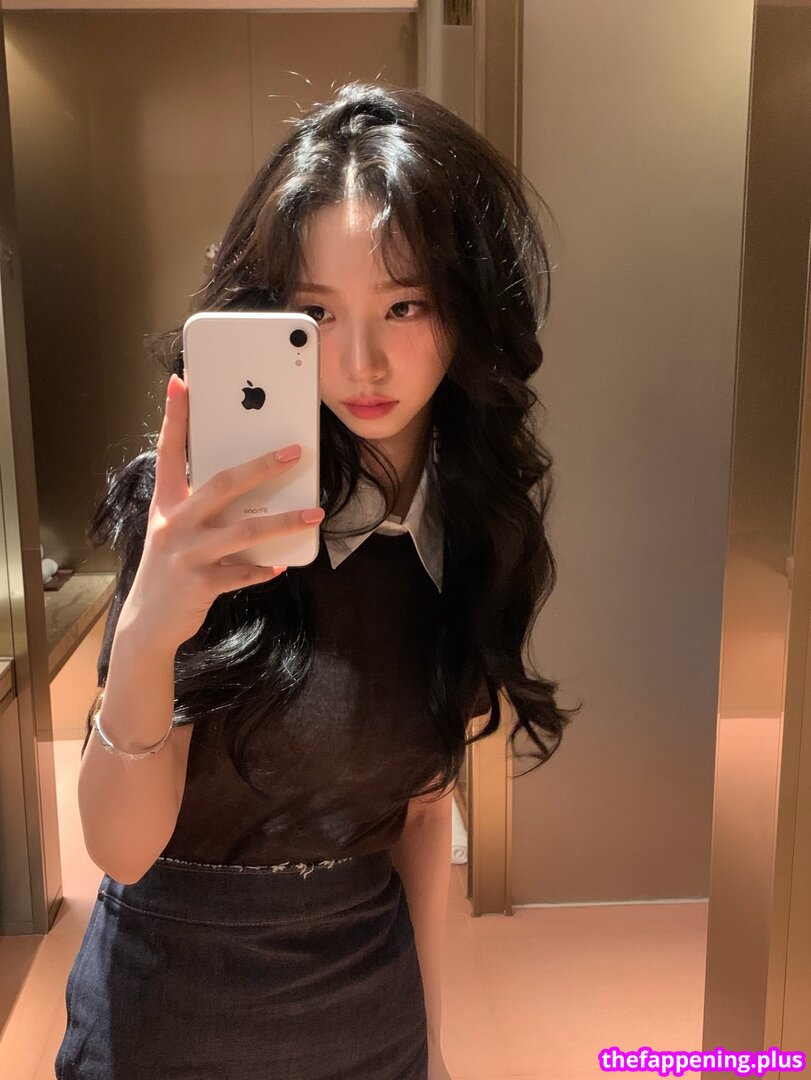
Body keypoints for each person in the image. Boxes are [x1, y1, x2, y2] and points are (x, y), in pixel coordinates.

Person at [55, 80, 579, 1080]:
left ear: (468, 306)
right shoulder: (199, 516)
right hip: (166, 1017)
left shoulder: (469, 532)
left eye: (404, 304)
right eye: (316, 314)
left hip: (369, 1021)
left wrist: (432, 1048)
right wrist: (150, 631)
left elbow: (419, 814)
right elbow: (119, 850)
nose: (362, 361)